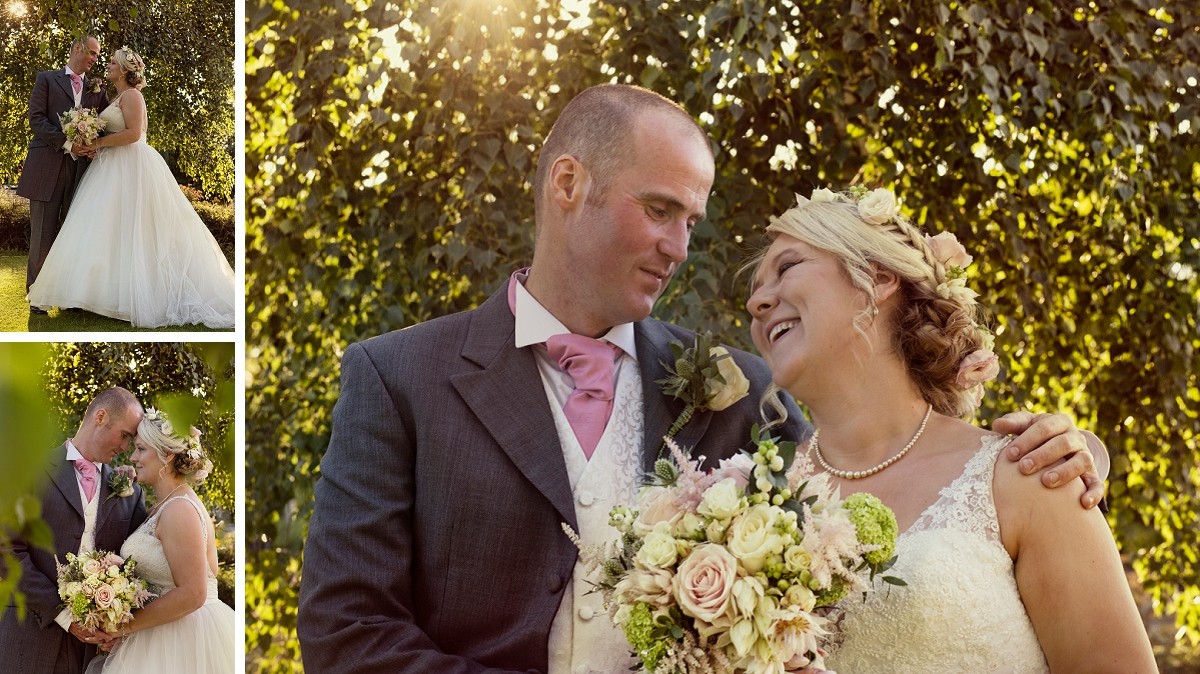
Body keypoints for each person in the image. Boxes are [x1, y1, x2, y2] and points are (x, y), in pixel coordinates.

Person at [296, 84, 1104, 673]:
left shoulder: (740, 392)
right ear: (568, 184)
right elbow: (346, 630)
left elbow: (892, 473)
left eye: (692, 222)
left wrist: (1078, 456)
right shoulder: (396, 376)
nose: (680, 248)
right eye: (659, 210)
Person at [745, 187, 1155, 671]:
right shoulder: (750, 505)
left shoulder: (1026, 471)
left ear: (877, 277)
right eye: (753, 290)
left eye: (787, 268)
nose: (757, 303)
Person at [26, 47, 235, 329]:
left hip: (131, 166)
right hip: (109, 166)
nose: (105, 64)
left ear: (124, 70)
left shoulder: (132, 96)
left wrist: (96, 143)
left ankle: (136, 293)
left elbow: (134, 133)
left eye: (111, 62)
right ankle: (91, 293)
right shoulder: (114, 96)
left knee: (135, 231)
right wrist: (87, 136)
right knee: (105, 230)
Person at [0, 387, 147, 674]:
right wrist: (63, 613)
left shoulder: (130, 492)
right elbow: (7, 550)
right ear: (101, 417)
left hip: (94, 654)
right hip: (27, 639)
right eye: (126, 435)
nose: (127, 448)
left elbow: (138, 562)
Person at [84, 408, 234, 674]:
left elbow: (193, 593)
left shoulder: (179, 510)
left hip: (182, 641)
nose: (132, 457)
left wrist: (123, 626)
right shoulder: (164, 506)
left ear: (166, 455)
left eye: (141, 449)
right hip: (161, 632)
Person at [16, 35, 108, 314]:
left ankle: (70, 298)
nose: (94, 59)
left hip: (82, 172)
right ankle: (37, 298)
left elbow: (103, 124)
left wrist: (93, 147)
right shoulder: (46, 78)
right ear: (76, 49)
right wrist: (68, 143)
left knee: (74, 234)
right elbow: (36, 119)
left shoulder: (97, 89)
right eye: (91, 53)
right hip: (47, 165)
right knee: (42, 235)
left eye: (96, 55)